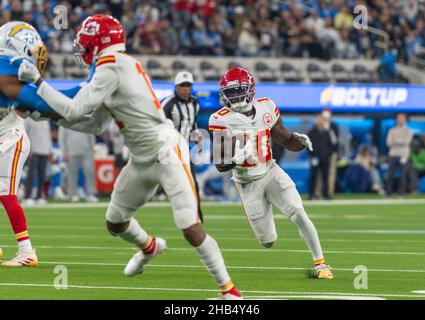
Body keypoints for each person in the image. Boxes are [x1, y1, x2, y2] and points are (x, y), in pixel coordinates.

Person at [15, 14, 242, 299]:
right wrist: (48, 116)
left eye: (86, 42)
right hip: (140, 158)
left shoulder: (112, 66)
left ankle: (229, 292)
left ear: (99, 42)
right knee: (115, 221)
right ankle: (149, 246)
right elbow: (94, 124)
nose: (82, 48)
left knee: (189, 226)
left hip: (165, 151)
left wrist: (39, 82)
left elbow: (74, 109)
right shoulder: (113, 67)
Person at [208, 67, 333, 280]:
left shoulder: (267, 107)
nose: (236, 96)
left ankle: (321, 264)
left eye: (240, 90)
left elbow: (284, 139)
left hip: (270, 170)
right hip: (247, 182)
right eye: (231, 92)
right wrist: (235, 159)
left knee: (298, 211)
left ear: (250, 90)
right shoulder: (220, 120)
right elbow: (220, 163)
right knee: (267, 240)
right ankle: (268, 220)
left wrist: (298, 141)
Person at [0, 21, 49, 266]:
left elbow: (25, 108)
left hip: (12, 138)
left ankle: (27, 251)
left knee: (7, 196)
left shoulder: (14, 73)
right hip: (4, 136)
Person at [161, 71, 203, 219]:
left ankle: (196, 216)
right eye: (182, 86)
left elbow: (192, 123)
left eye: (188, 85)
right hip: (169, 149)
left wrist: (196, 134)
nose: (185, 89)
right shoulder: (167, 103)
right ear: (176, 87)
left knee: (192, 182)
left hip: (184, 148)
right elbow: (158, 124)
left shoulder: (195, 103)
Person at [58, 127, 98, 203]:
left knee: (89, 172)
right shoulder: (64, 121)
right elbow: (62, 138)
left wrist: (92, 148)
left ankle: (91, 194)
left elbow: (91, 134)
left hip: (86, 151)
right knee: (72, 174)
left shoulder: (85, 118)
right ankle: (73, 194)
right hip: (71, 151)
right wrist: (64, 152)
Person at [23, 118, 52, 205]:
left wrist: (50, 150)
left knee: (42, 175)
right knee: (31, 175)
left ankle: (39, 196)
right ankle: (27, 197)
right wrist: (29, 148)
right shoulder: (28, 119)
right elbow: (25, 133)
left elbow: (48, 135)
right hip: (33, 151)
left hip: (45, 151)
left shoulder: (45, 119)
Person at [386, 113, 413, 197]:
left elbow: (407, 142)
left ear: (405, 119)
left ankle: (401, 194)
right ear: (397, 119)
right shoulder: (392, 130)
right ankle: (388, 194)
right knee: (390, 175)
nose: (400, 120)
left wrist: (396, 142)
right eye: (399, 118)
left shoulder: (408, 130)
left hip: (404, 155)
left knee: (402, 175)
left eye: (402, 118)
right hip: (393, 154)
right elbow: (388, 142)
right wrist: (400, 143)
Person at [307, 114, 334, 200]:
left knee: (325, 176)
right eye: (319, 120)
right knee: (313, 176)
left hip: (325, 157)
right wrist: (311, 155)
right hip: (315, 157)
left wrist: (328, 154)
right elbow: (307, 144)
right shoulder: (312, 132)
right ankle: (312, 194)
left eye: (322, 120)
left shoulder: (327, 132)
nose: (321, 121)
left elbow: (331, 144)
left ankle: (326, 194)